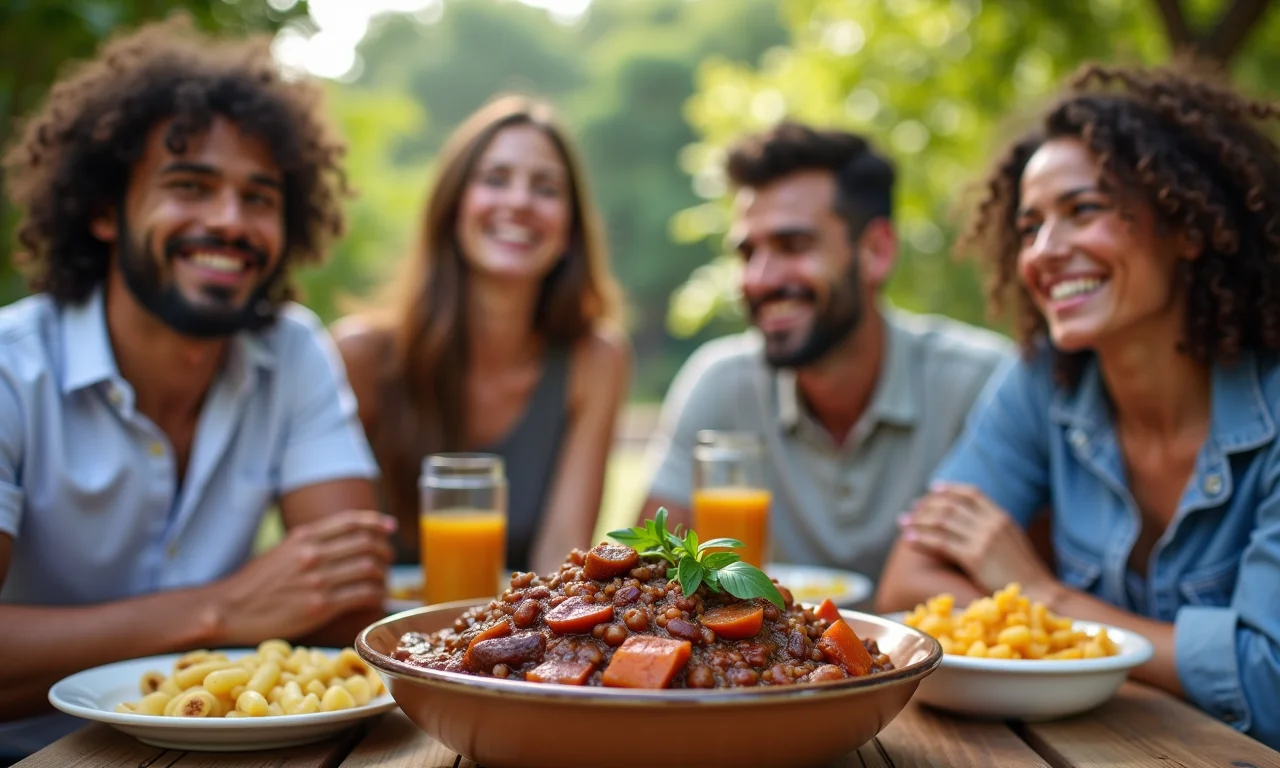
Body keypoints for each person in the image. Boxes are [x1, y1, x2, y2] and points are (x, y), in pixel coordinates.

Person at [0, 17, 393, 759]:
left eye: (259, 197)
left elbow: (349, 599)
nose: (227, 221)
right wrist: (219, 610)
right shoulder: (10, 368)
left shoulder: (293, 349)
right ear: (101, 209)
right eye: (190, 186)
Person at [876, 62, 1280, 749]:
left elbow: (1268, 680)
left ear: (1188, 226)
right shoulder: (1043, 382)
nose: (1044, 252)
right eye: (1029, 226)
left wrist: (1042, 596)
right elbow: (907, 582)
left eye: (1082, 211)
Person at [638, 122, 1014, 585]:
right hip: (768, 655)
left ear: (876, 252)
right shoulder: (720, 385)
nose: (759, 278)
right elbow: (647, 575)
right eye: (747, 252)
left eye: (793, 246)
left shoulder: (981, 384)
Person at [333, 94, 630, 577]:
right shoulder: (360, 356)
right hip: (372, 638)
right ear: (452, 209)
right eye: (495, 180)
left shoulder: (595, 360)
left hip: (512, 642)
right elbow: (335, 569)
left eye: (546, 188)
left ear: (570, 229)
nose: (519, 202)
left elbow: (560, 559)